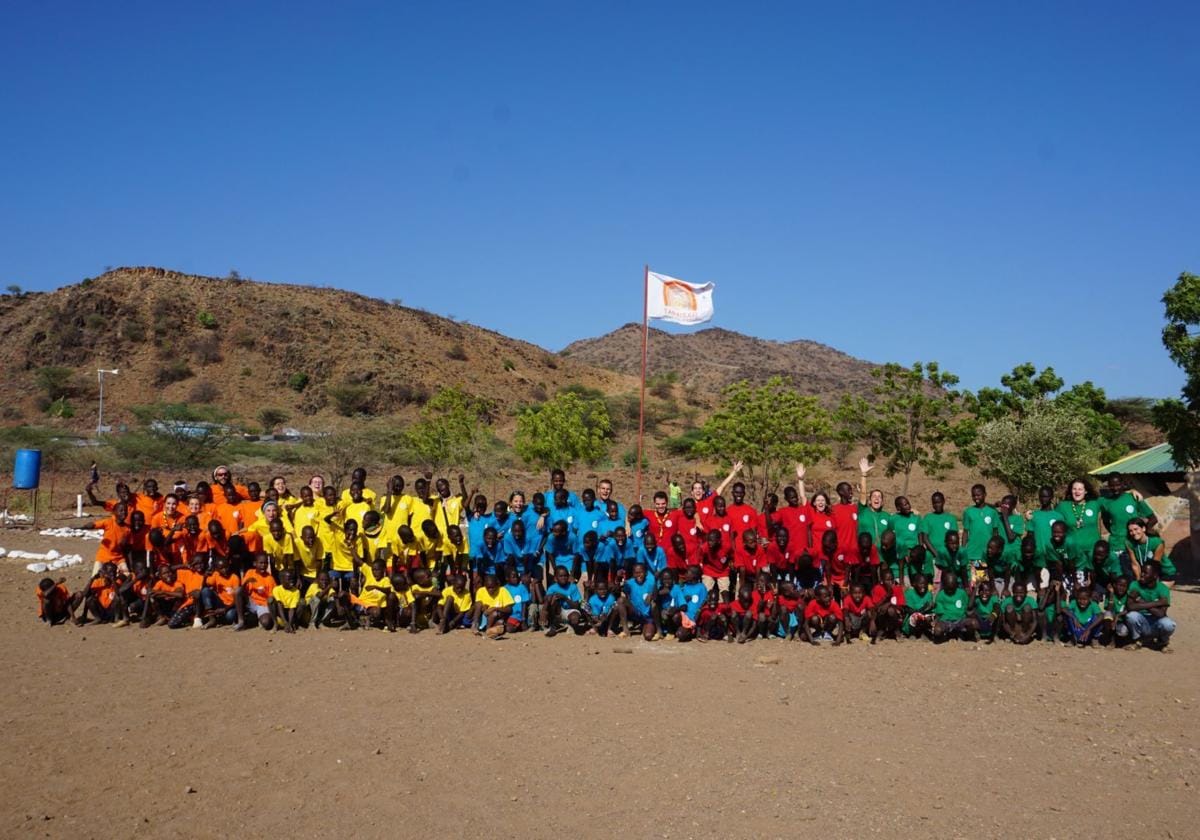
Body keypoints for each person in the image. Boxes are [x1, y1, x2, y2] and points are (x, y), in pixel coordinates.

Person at [1125, 562, 1175, 648]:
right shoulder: (1135, 585)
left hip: (1156, 622)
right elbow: (1130, 607)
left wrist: (1139, 601)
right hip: (1141, 620)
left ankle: (1162, 641)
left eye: (1145, 573)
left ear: (1155, 576)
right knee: (1131, 616)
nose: (1142, 575)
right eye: (1142, 572)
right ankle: (1138, 640)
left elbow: (1161, 614)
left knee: (1168, 624)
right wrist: (1157, 603)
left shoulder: (1163, 589)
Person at [1056, 478, 1104, 559]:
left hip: (1093, 552)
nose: (1077, 492)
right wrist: (1031, 515)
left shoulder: (1094, 503)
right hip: (1073, 553)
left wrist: (1130, 491)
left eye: (1080, 489)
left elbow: (1112, 500)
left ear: (1086, 491)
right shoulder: (1063, 506)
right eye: (1074, 489)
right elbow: (1049, 516)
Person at [918, 492, 958, 583]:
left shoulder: (951, 518)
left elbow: (954, 537)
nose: (937, 505)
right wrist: (936, 554)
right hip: (933, 557)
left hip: (948, 557)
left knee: (949, 581)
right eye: (934, 503)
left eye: (939, 502)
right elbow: (925, 538)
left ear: (943, 502)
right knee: (935, 583)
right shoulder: (928, 518)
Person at [1124, 518, 1171, 585]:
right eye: (1130, 531)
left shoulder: (1157, 542)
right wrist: (1139, 581)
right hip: (1145, 574)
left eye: (1136, 529)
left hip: (1163, 572)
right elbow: (1135, 564)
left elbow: (1156, 564)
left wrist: (1152, 582)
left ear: (1143, 528)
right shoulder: (1129, 543)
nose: (1134, 533)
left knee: (1155, 591)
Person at [237, 554, 276, 631]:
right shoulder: (250, 572)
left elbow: (271, 597)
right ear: (255, 563)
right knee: (238, 591)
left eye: (265, 563)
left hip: (263, 604)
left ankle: (257, 618)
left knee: (266, 623)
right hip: (251, 601)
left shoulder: (270, 578)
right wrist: (246, 582)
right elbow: (242, 589)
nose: (263, 565)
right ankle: (241, 621)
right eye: (261, 563)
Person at [619, 563, 658, 640]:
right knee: (621, 600)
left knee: (648, 636)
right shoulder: (629, 583)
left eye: (641, 572)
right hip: (635, 612)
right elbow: (624, 591)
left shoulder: (651, 582)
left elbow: (657, 594)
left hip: (647, 616)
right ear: (633, 574)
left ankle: (646, 626)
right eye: (636, 573)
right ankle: (626, 630)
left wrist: (651, 594)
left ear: (646, 573)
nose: (638, 575)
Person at [931, 571, 972, 642]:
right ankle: (948, 635)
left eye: (952, 588)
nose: (950, 590)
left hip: (960, 620)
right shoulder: (941, 595)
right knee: (937, 631)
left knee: (973, 623)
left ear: (956, 585)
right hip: (946, 621)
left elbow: (966, 607)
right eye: (948, 588)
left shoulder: (962, 593)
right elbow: (940, 613)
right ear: (944, 585)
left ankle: (966, 636)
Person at [472, 572, 515, 638]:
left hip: (496, 616)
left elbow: (509, 609)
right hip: (483, 616)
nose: (490, 590)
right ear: (485, 585)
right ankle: (475, 625)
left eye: (493, 588)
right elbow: (480, 606)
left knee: (495, 615)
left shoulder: (503, 591)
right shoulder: (481, 591)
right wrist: (485, 608)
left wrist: (495, 608)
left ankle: (488, 630)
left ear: (497, 585)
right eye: (488, 588)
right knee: (478, 604)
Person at [544, 566, 583, 637]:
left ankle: (569, 625)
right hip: (557, 611)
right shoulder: (552, 588)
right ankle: (552, 625)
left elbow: (577, 606)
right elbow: (547, 601)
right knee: (552, 598)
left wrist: (565, 598)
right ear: (555, 578)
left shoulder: (573, 587)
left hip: (570, 610)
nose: (563, 578)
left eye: (565, 576)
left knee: (575, 618)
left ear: (568, 577)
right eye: (561, 576)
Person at [901, 574, 934, 639]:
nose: (923, 586)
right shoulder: (909, 593)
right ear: (914, 584)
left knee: (929, 617)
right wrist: (922, 610)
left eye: (925, 584)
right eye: (921, 584)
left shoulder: (928, 594)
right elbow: (909, 610)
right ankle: (912, 633)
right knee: (915, 616)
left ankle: (923, 632)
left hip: (923, 616)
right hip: (911, 618)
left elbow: (929, 609)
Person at [970, 578, 1000, 644]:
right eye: (982, 591)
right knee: (970, 612)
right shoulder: (977, 599)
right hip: (980, 621)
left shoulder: (993, 598)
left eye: (987, 591)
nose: (984, 593)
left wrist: (993, 614)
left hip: (990, 621)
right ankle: (976, 634)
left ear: (991, 592)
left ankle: (994, 635)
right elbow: (969, 606)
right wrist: (976, 588)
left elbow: (997, 607)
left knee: (999, 614)